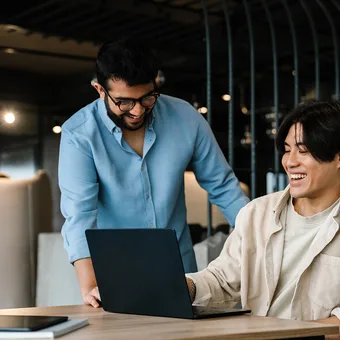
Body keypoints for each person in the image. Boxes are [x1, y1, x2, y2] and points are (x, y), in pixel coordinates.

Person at [58, 36, 248, 308]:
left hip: (182, 272)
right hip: (114, 276)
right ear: (100, 89)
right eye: (124, 102)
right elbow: (80, 215)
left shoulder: (185, 117)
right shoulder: (79, 134)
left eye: (147, 98)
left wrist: (260, 239)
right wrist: (90, 288)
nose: (137, 111)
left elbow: (225, 188)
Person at [186, 100, 340, 331]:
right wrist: (184, 287)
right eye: (287, 150)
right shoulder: (257, 213)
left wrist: (285, 334)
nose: (290, 162)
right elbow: (222, 281)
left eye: (304, 150)